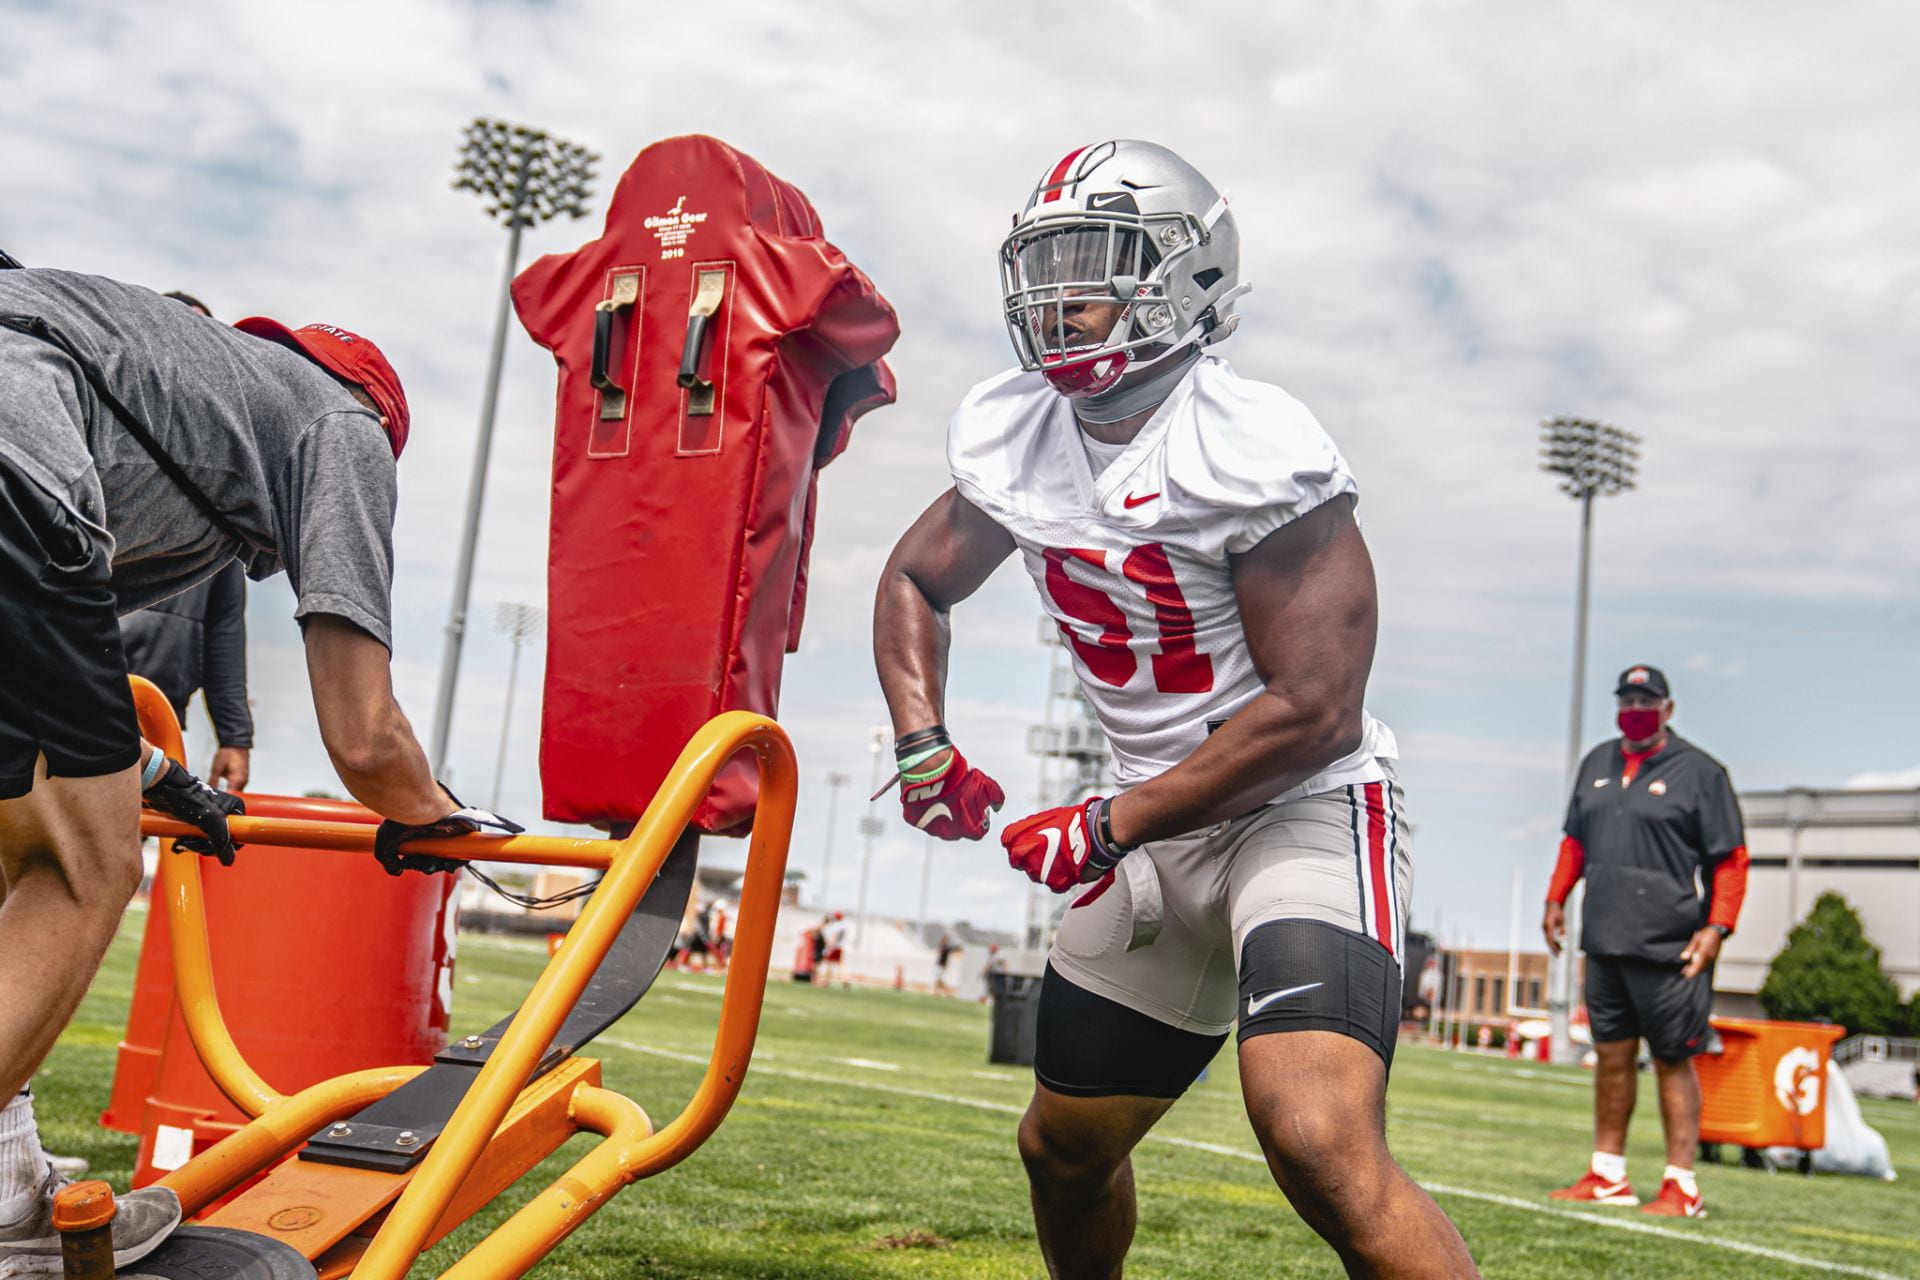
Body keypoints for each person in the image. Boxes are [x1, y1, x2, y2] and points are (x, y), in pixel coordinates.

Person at [873, 140, 1476, 1277]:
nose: (1061, 294)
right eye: (1046, 263)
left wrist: (1110, 821)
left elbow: (1317, 711)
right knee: (1063, 1147)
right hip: (1160, 823)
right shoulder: (1017, 433)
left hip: (1299, 811)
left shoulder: (1249, 445)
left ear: (1189, 277)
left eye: (1095, 260)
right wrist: (921, 743)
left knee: (1318, 1138)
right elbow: (916, 578)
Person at [0, 266, 519, 1273]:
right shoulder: (344, 424)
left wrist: (146, 764)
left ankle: (6, 1182)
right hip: (17, 476)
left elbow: (39, 667)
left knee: (15, 858)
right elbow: (364, 735)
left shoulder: (187, 392)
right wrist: (438, 816)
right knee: (81, 869)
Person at [1543, 664, 1748, 1218]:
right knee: (1610, 1057)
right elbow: (1574, 843)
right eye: (1627, 697)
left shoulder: (1702, 773)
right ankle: (1608, 1175)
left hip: (1671, 946)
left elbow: (1730, 861)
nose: (1636, 706)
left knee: (1671, 1060)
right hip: (1605, 938)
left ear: (1668, 708)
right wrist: (1556, 898)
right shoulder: (1598, 763)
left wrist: (1716, 929)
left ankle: (1682, 1186)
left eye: (1646, 698)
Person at [119, 291, 252, 791]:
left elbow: (223, 630)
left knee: (122, 862)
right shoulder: (101, 446)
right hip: (61, 697)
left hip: (160, 716)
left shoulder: (222, 489)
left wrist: (236, 736)